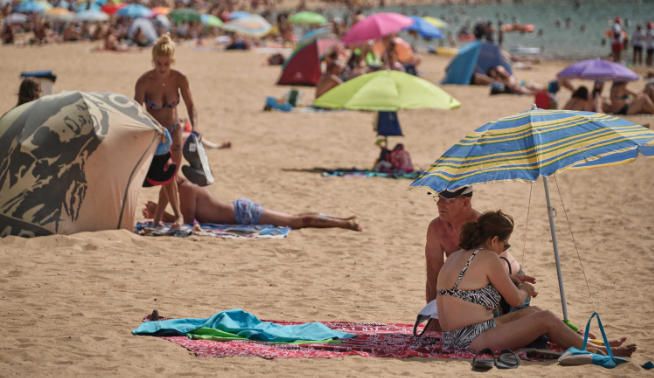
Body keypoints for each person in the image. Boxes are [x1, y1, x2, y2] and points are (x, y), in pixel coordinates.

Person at [437, 210, 637, 356]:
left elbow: (468, 290)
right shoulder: (489, 257)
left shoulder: (457, 256)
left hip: (452, 337)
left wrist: (511, 280)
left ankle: (595, 344)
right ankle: (596, 351)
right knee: (545, 319)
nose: (504, 249)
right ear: (493, 240)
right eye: (505, 245)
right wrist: (524, 289)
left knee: (533, 313)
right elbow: (515, 300)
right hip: (470, 339)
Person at [424, 187, 533, 309]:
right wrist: (432, 312)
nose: (439, 203)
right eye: (439, 198)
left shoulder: (482, 226)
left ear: (465, 202)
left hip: (508, 277)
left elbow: (494, 273)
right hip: (479, 283)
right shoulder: (436, 228)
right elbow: (433, 274)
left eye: (448, 200)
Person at [135, 34, 199, 228]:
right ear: (153, 61)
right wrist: (151, 127)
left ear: (172, 61)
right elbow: (135, 112)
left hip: (174, 129)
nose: (162, 68)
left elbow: (191, 106)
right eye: (158, 64)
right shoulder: (144, 82)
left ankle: (159, 218)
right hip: (156, 134)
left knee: (171, 175)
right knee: (166, 176)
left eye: (166, 64)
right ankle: (174, 216)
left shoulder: (179, 79)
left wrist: (195, 129)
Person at [143, 177, 362, 232]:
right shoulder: (181, 189)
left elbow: (189, 222)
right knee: (295, 217)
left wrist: (164, 217)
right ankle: (343, 220)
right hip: (241, 211)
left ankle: (344, 224)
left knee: (296, 222)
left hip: (243, 214)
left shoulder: (187, 190)